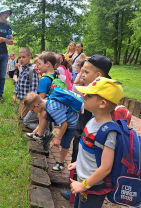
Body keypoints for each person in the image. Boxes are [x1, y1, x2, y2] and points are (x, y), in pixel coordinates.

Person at [61, 54, 114, 200]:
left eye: (86, 72)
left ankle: (77, 192)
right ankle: (75, 193)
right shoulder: (93, 89)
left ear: (98, 75)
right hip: (84, 134)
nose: (82, 75)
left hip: (91, 145)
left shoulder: (103, 93)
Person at [69, 77, 124, 207]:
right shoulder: (93, 120)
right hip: (83, 181)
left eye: (88, 95)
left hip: (93, 186)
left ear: (102, 103)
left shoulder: (109, 133)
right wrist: (78, 163)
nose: (84, 96)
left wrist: (83, 185)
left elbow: (106, 168)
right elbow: (90, 149)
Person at [24, 91, 79, 172]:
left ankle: (61, 163)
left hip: (71, 123)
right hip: (65, 118)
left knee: (65, 143)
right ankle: (40, 134)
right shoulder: (46, 102)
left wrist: (58, 139)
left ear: (36, 105)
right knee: (43, 113)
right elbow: (43, 115)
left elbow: (64, 124)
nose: (32, 112)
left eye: (32, 110)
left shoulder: (52, 108)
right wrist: (38, 129)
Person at [13, 48, 38, 120]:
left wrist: (31, 101)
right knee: (21, 115)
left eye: (23, 57)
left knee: (24, 117)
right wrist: (15, 95)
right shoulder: (22, 69)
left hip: (27, 100)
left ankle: (35, 128)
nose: (21, 59)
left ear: (29, 57)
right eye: (19, 57)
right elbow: (18, 83)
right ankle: (24, 127)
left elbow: (34, 88)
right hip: (21, 98)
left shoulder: (32, 71)